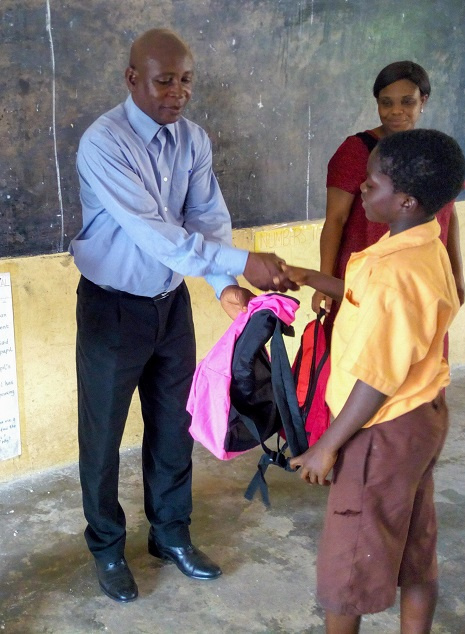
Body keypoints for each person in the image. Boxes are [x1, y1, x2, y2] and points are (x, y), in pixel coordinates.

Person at [69, 28, 295, 603]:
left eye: (186, 80)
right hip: (111, 308)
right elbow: (161, 237)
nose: (177, 92)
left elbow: (207, 220)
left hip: (170, 308)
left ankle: (170, 534)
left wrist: (224, 286)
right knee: (102, 437)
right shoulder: (104, 143)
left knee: (176, 425)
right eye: (163, 80)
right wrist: (244, 261)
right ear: (132, 80)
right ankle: (107, 546)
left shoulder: (193, 140)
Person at [282, 129, 465, 633]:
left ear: (404, 199)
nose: (361, 189)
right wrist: (316, 278)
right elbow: (378, 308)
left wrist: (327, 447)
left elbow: (376, 379)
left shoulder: (395, 274)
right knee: (413, 543)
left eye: (371, 183)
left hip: (381, 431)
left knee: (349, 563)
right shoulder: (419, 245)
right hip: (420, 420)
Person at [314, 61, 465, 351]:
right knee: (366, 360)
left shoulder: (436, 151)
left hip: (423, 281)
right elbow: (335, 219)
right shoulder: (357, 150)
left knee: (420, 360)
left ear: (424, 101)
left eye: (407, 102)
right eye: (386, 103)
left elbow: (449, 214)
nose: (396, 111)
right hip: (369, 281)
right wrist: (325, 281)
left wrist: (456, 274)